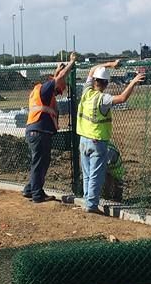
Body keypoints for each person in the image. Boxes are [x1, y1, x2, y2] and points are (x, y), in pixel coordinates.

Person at [77, 60, 144, 214]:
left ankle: (88, 201)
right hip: (97, 140)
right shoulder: (103, 99)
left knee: (87, 174)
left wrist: (111, 64)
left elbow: (93, 68)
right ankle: (91, 206)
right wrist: (133, 82)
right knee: (96, 175)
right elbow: (121, 99)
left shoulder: (86, 92)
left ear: (94, 80)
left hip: (83, 139)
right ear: (106, 83)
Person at [22, 53, 76, 203]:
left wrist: (57, 70)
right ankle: (37, 195)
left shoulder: (41, 91)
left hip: (35, 131)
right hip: (39, 132)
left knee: (38, 162)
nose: (60, 92)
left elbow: (57, 79)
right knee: (40, 163)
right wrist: (71, 63)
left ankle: (30, 189)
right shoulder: (45, 89)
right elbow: (59, 79)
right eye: (60, 89)